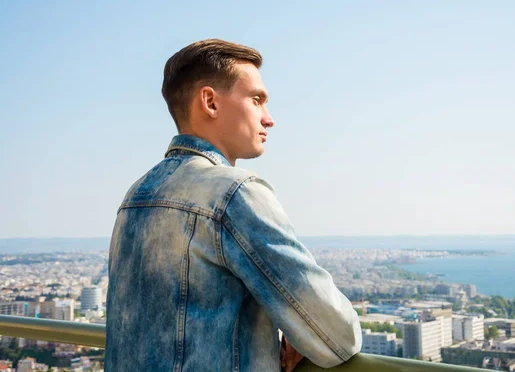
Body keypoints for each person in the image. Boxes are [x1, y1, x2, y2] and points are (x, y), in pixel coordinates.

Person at [105, 39, 362, 372]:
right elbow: (336, 335)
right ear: (210, 102)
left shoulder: (136, 195)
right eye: (257, 100)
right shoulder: (233, 193)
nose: (269, 119)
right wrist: (303, 334)